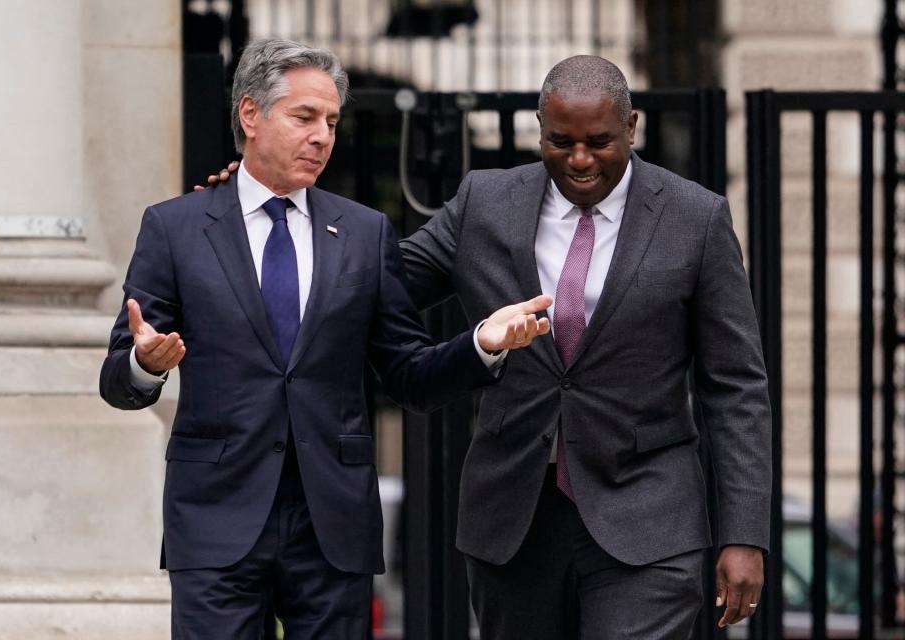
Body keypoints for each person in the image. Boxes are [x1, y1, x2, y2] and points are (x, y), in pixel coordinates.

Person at [206, 55, 771, 638]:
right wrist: (255, 211)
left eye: (599, 142)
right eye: (561, 142)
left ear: (631, 129)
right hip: (513, 521)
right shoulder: (486, 202)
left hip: (648, 520)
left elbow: (735, 385)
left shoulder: (695, 218)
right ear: (539, 128)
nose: (579, 160)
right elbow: (373, 282)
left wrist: (744, 532)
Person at [100, 38, 551, 640]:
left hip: (332, 522)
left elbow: (407, 375)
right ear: (251, 115)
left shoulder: (365, 234)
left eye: (332, 121)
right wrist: (145, 364)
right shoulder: (175, 227)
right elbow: (117, 382)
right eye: (305, 117)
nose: (322, 136)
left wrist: (482, 344)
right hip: (215, 517)